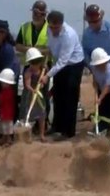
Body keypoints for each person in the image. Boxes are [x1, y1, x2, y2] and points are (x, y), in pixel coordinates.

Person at [40, 10, 85, 140]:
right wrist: (46, 63)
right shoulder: (48, 30)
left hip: (73, 65)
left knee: (70, 97)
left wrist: (47, 76)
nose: (53, 30)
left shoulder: (68, 35)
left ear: (61, 24)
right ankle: (56, 126)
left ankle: (68, 131)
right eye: (51, 27)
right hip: (58, 64)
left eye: (56, 27)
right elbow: (50, 48)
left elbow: (63, 60)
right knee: (58, 95)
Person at [15, 0, 52, 131]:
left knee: (42, 95)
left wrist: (38, 52)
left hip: (44, 67)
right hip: (28, 66)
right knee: (27, 94)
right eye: (34, 13)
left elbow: (53, 48)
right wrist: (29, 50)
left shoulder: (50, 28)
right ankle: (27, 121)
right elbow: (18, 45)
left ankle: (43, 124)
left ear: (44, 15)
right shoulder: (25, 27)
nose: (36, 16)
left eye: (39, 14)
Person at [0, 20, 20, 126]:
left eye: (2, 32)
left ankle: (10, 128)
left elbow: (7, 69)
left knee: (8, 101)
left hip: (9, 75)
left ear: (6, 33)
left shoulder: (8, 49)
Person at [20, 47, 49, 142]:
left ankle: (42, 134)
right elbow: (27, 85)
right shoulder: (28, 72)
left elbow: (46, 79)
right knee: (28, 115)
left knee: (41, 115)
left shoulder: (43, 69)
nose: (36, 65)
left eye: (37, 62)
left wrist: (42, 83)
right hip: (30, 96)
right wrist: (33, 90)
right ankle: (29, 135)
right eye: (33, 63)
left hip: (39, 96)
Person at [89, 47, 110, 133]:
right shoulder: (94, 69)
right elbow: (95, 80)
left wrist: (100, 98)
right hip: (101, 89)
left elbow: (108, 87)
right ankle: (102, 127)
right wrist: (96, 88)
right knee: (101, 109)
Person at [0, 68, 17, 147]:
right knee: (3, 127)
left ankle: (8, 140)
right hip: (4, 112)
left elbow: (2, 100)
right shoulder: (5, 90)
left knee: (7, 128)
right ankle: (4, 138)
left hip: (7, 113)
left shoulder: (8, 91)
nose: (2, 84)